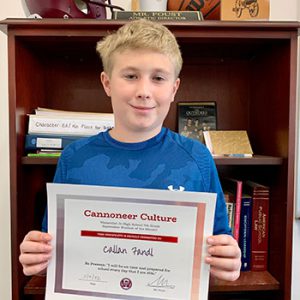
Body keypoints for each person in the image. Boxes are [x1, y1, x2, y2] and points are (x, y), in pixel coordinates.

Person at [19, 19, 241, 282]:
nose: (144, 91)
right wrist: (38, 257)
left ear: (174, 88)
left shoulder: (197, 159)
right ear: (107, 83)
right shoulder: (74, 159)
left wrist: (228, 261)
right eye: (130, 76)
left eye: (158, 78)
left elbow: (219, 247)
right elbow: (54, 253)